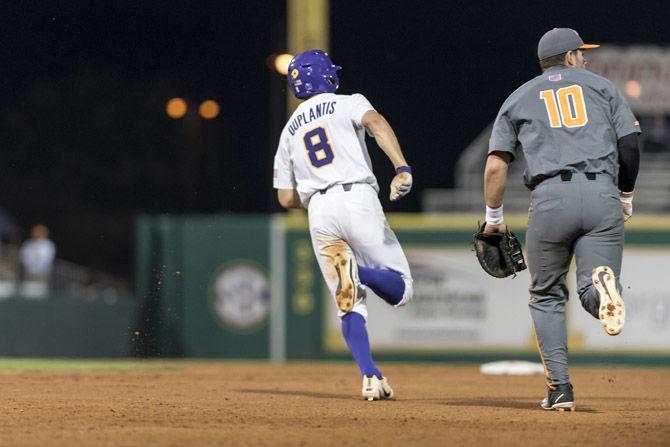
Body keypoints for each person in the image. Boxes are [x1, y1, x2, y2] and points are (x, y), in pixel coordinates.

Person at [483, 28, 640, 411]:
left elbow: (494, 166)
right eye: (581, 53)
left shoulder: (518, 97)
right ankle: (602, 291)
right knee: (592, 286)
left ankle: (560, 389)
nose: (585, 59)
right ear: (569, 57)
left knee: (547, 295)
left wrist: (494, 218)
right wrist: (625, 194)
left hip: (551, 198)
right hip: (602, 193)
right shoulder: (602, 87)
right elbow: (631, 145)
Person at [273, 49, 414, 401]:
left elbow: (285, 198)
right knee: (402, 289)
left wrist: (312, 195)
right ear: (327, 76)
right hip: (356, 197)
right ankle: (360, 272)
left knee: (349, 304)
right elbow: (376, 122)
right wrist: (401, 167)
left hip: (318, 210)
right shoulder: (347, 102)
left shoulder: (289, 130)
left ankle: (370, 375)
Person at [19, 224, 56, 298]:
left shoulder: (48, 245)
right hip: (28, 272)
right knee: (27, 292)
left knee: (40, 293)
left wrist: (37, 266)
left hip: (42, 274)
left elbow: (46, 259)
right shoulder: (28, 244)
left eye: (39, 232)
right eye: (35, 232)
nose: (37, 234)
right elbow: (23, 256)